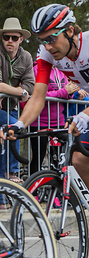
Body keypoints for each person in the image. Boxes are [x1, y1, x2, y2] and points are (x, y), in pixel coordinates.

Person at [1, 4, 89, 239]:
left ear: (69, 30)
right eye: (42, 40)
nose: (47, 46)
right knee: (79, 160)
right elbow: (38, 96)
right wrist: (20, 124)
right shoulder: (46, 54)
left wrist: (83, 115)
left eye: (51, 38)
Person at [27, 63, 80, 174]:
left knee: (59, 161)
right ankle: (32, 191)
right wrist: (65, 91)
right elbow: (38, 95)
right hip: (39, 122)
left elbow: (65, 95)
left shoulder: (61, 70)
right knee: (38, 158)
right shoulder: (37, 70)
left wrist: (71, 92)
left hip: (59, 122)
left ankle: (57, 190)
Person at [0, 17, 35, 186]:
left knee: (11, 133)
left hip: (11, 107)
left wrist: (9, 93)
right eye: (6, 37)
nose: (10, 41)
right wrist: (20, 91)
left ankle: (6, 187)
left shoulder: (26, 57)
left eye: (14, 38)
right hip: (4, 108)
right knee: (15, 126)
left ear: (21, 39)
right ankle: (12, 171)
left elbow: (31, 85)